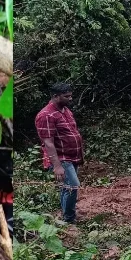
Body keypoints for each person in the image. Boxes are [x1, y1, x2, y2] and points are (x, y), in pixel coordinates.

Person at [35, 82, 84, 223]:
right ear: (55, 96)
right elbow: (48, 142)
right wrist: (57, 166)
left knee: (66, 187)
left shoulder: (65, 110)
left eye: (70, 96)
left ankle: (67, 215)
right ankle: (69, 219)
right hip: (61, 157)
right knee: (72, 186)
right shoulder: (46, 115)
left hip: (72, 156)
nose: (70, 99)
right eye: (66, 96)